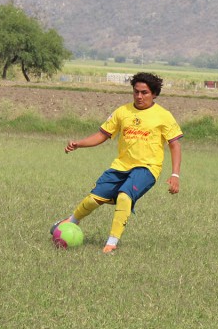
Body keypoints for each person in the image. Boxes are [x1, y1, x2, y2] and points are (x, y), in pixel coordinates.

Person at [51, 72, 183, 254]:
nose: (139, 96)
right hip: (120, 166)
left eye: (144, 92)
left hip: (147, 168)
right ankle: (70, 221)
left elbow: (175, 145)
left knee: (124, 196)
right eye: (136, 92)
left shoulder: (164, 116)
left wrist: (175, 174)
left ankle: (111, 244)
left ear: (154, 94)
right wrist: (79, 144)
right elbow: (102, 135)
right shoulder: (122, 112)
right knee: (93, 199)